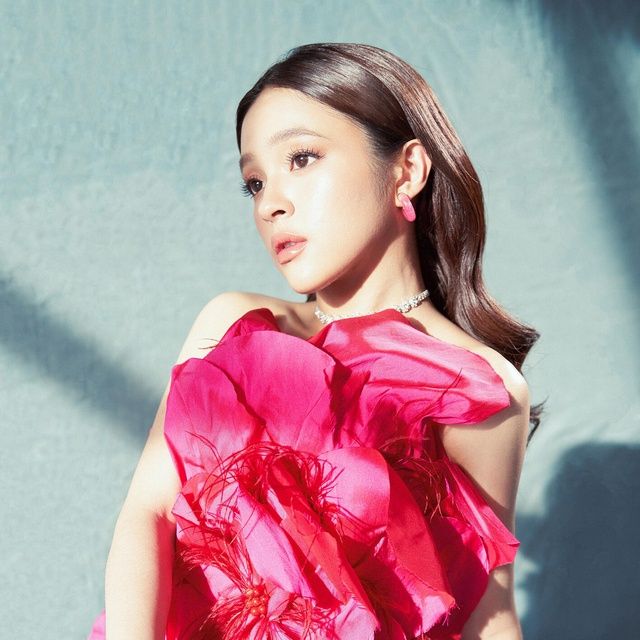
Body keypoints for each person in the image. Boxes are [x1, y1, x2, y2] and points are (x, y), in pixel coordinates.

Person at [87, 42, 543, 640]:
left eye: (301, 158)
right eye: (254, 183)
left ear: (407, 170)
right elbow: (147, 515)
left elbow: (487, 611)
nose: (270, 205)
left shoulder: (479, 387)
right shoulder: (233, 324)